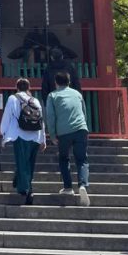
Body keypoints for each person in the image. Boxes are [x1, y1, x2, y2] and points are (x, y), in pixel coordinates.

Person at [45, 72, 90, 206]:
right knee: (82, 159)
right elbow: (84, 112)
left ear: (56, 82)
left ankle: (68, 187)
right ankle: (82, 185)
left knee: (64, 158)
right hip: (81, 128)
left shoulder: (52, 96)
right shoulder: (77, 94)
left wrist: (52, 135)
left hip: (64, 132)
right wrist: (85, 128)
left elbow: (50, 117)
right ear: (69, 82)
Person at [0, 78, 47, 205]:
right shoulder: (35, 100)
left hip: (20, 135)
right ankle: (24, 183)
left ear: (17, 87)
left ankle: (26, 190)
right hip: (35, 136)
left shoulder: (13, 99)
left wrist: (3, 135)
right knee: (30, 164)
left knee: (22, 163)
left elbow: (7, 117)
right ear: (28, 87)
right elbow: (41, 121)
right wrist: (43, 139)